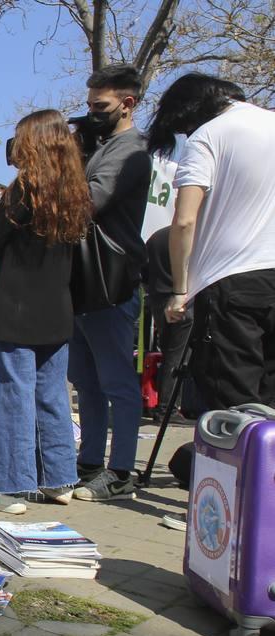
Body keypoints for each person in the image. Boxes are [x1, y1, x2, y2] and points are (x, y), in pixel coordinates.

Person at [0, 110, 91, 514]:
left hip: (16, 307)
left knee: (9, 398)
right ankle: (59, 479)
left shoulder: (26, 187)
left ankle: (8, 487)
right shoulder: (73, 189)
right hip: (57, 308)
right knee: (53, 395)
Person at [148, 73, 275, 410]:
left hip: (230, 281)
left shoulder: (208, 136)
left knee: (234, 403)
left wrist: (179, 292)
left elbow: (185, 219)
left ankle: (242, 463)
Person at [65, 64, 151, 502]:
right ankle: (90, 461)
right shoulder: (101, 146)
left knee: (117, 380)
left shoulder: (130, 149)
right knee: (87, 381)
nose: (92, 113)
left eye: (100, 105)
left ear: (127, 103)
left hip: (110, 280)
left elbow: (89, 201)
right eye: (89, 105)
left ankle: (120, 470)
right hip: (83, 280)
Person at [141, 227, 194, 422]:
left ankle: (166, 407)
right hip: (181, 300)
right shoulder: (189, 238)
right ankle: (167, 409)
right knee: (177, 357)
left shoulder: (156, 237)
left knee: (170, 353)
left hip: (159, 300)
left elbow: (143, 271)